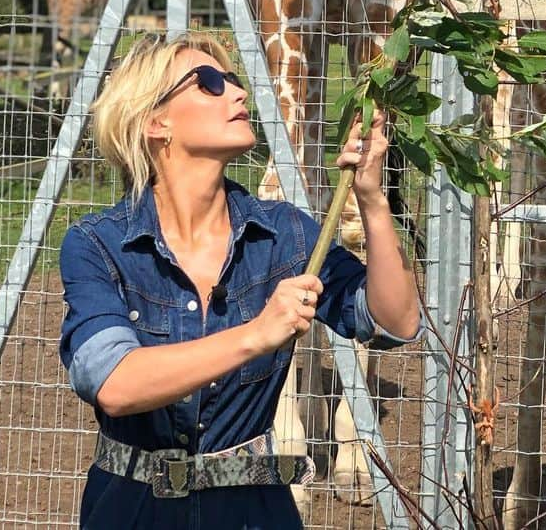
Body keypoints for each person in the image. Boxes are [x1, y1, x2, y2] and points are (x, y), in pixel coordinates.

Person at [59, 31, 422, 529]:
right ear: (154, 121)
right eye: (208, 82)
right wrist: (256, 334)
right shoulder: (99, 245)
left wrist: (374, 201)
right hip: (132, 510)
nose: (238, 92)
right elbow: (114, 382)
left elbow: (395, 321)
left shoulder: (284, 234)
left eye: (233, 80)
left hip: (253, 510)